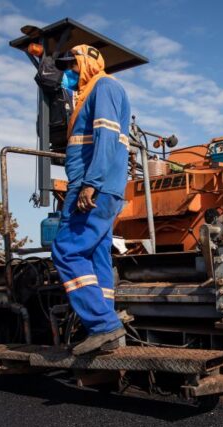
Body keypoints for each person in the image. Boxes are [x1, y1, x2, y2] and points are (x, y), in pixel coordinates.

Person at [51, 44, 131, 355]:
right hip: (103, 187)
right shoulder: (90, 95)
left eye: (73, 66)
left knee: (67, 251)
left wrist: (90, 184)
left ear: (88, 62)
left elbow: (107, 137)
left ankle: (104, 326)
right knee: (97, 255)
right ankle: (107, 329)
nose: (69, 73)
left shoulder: (105, 86)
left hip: (92, 186)